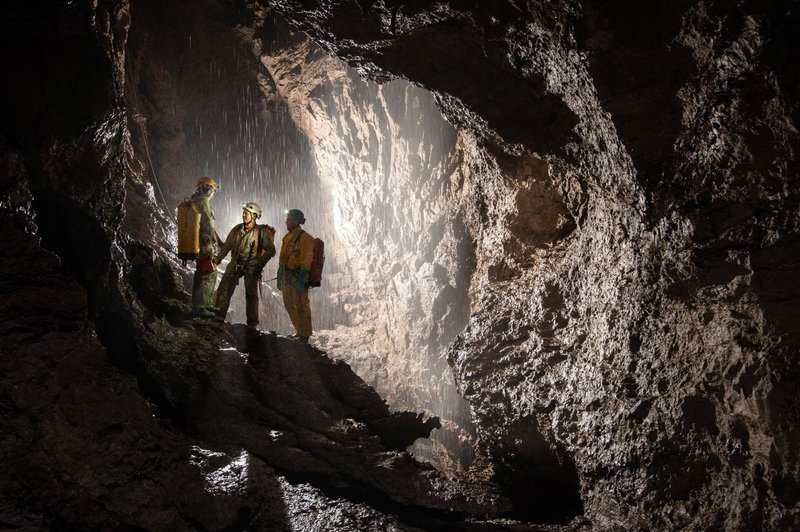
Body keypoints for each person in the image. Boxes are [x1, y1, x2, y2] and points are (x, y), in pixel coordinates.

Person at [214, 202, 276, 330]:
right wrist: (216, 260)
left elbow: (271, 250)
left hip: (252, 266)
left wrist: (259, 265)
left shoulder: (261, 232)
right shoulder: (237, 229)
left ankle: (252, 324)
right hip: (236, 263)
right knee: (224, 289)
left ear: (254, 216)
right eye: (243, 212)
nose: (243, 215)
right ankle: (217, 317)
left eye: (246, 213)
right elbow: (226, 247)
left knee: (251, 294)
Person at [277, 209, 314, 342]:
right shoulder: (287, 237)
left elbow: (306, 259)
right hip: (287, 277)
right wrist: (279, 272)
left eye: (290, 219)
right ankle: (299, 330)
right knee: (288, 305)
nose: (287, 221)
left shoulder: (305, 238)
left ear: (297, 221)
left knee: (301, 306)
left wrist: (302, 279)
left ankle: (305, 335)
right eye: (287, 219)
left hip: (298, 277)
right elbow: (282, 257)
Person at [191, 176, 222, 318]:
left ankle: (207, 304)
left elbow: (209, 224)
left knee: (210, 271)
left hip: (204, 240)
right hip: (204, 242)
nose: (213, 193)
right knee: (205, 272)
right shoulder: (203, 201)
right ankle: (199, 307)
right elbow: (207, 224)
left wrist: (218, 241)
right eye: (213, 190)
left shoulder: (197, 200)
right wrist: (208, 242)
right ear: (210, 189)